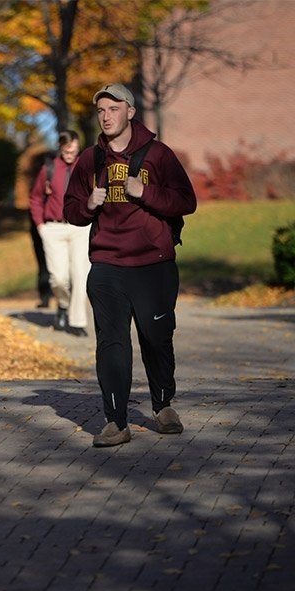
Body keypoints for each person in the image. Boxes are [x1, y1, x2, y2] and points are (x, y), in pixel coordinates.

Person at [64, 83, 197, 447]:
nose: (107, 116)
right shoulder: (90, 161)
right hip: (107, 264)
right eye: (101, 111)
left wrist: (145, 192)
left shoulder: (159, 155)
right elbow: (70, 211)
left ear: (130, 112)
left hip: (154, 264)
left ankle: (163, 404)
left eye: (114, 109)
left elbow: (187, 201)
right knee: (112, 342)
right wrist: (89, 203)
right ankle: (115, 421)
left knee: (156, 338)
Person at [29, 130, 90, 337]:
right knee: (58, 278)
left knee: (80, 275)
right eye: (66, 151)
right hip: (53, 229)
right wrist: (40, 226)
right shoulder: (50, 168)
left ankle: (77, 321)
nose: (70, 154)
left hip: (80, 228)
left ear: (78, 146)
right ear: (60, 149)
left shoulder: (87, 167)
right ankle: (63, 305)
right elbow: (35, 198)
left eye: (73, 150)